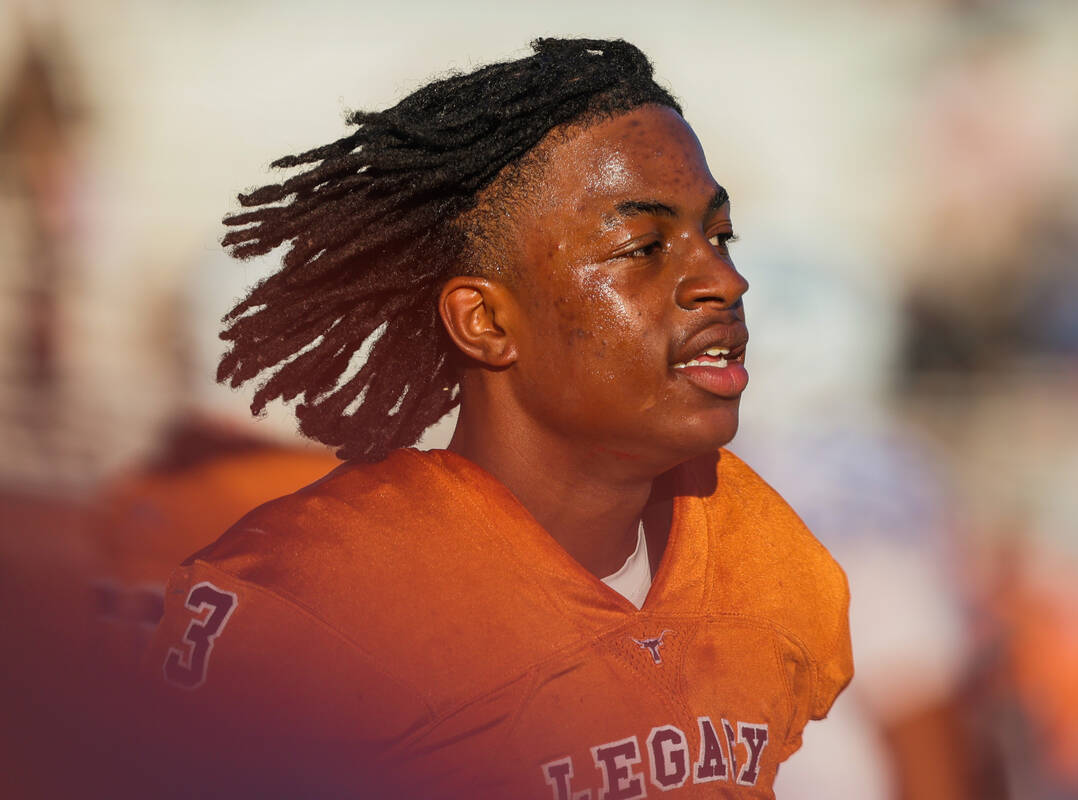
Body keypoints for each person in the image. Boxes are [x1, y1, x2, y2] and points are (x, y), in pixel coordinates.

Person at [144, 37, 852, 798]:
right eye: (644, 246)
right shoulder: (313, 597)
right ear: (484, 320)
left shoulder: (768, 555)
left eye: (719, 235)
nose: (724, 279)